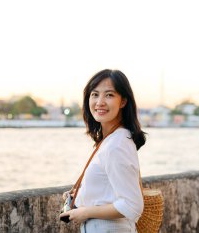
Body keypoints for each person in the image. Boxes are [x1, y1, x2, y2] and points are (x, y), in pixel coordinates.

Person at [60, 69, 146, 232]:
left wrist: (85, 212)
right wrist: (82, 195)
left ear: (123, 101)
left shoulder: (116, 145)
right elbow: (109, 190)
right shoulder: (111, 139)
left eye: (109, 95)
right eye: (95, 94)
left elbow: (132, 206)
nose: (100, 102)